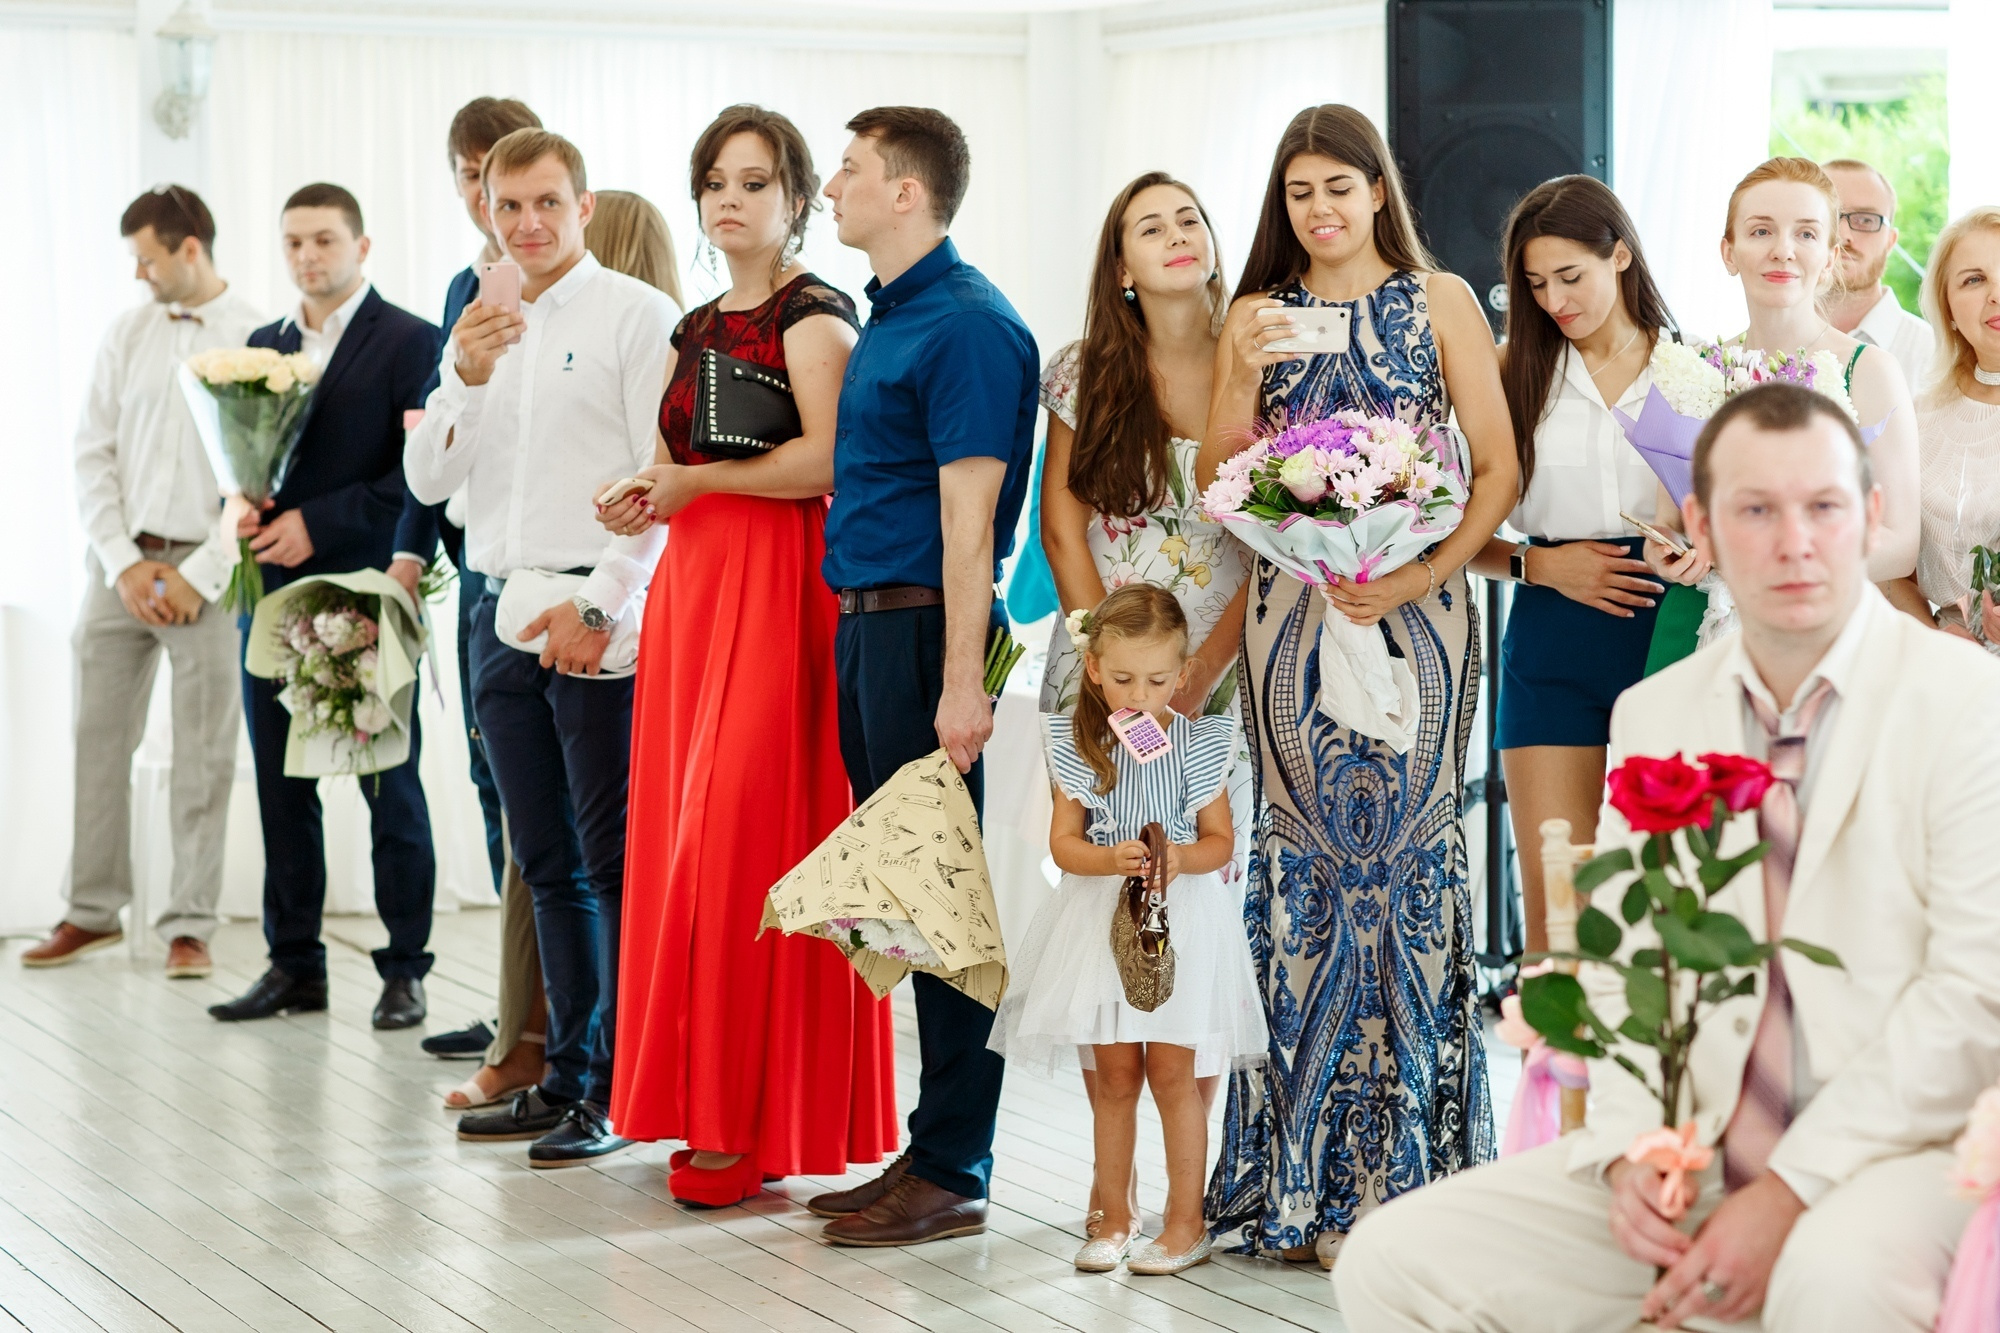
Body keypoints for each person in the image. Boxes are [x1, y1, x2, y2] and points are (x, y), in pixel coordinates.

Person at [1335, 382, 2000, 1333]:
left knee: (1831, 1281)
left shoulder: (1967, 699)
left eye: (1824, 506)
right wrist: (1628, 1152)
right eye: (1755, 510)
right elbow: (1624, 960)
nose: (1794, 541)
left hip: (1902, 1153)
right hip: (1697, 1143)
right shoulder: (1657, 714)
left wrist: (1789, 1189)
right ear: (1701, 523)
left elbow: (1975, 994)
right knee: (1394, 1262)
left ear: (1874, 514)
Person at [1195, 104, 1514, 1268]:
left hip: (1421, 615)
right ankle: (1304, 1188)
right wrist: (1238, 364)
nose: (1319, 211)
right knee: (1307, 877)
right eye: (1298, 194)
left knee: (1413, 869)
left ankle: (1413, 1195)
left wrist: (1421, 571)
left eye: (1339, 187)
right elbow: (1219, 477)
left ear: (1379, 191)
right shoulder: (1255, 316)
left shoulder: (1442, 304)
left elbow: (1494, 463)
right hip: (1290, 615)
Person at [596, 105, 895, 1208]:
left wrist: (696, 485)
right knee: (684, 848)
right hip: (694, 587)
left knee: (747, 841)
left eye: (756, 182)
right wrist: (645, 490)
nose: (732, 199)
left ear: (795, 199)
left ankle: (759, 1118)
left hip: (778, 589)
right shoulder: (693, 323)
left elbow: (828, 461)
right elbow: (685, 455)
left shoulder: (816, 317)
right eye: (715, 181)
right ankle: (714, 1107)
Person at [405, 129, 677, 1167]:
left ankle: (613, 1090)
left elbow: (660, 477)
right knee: (544, 862)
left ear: (585, 205)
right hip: (494, 610)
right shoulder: (481, 322)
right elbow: (429, 481)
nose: (527, 224)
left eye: (546, 204)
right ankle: (564, 1076)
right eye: (507, 206)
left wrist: (605, 604)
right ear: (485, 210)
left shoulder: (634, 315)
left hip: (590, 610)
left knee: (607, 865)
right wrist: (465, 376)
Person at [802, 105, 1038, 1246]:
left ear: (906, 190)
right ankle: (928, 1144)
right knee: (901, 897)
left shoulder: (969, 327)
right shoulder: (892, 317)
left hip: (921, 633)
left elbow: (969, 521)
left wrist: (960, 680)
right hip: (866, 628)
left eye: (846, 167)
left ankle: (955, 1162)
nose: (828, 183)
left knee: (941, 898)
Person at [1035, 169, 1249, 1235]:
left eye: (1188, 220)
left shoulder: (1255, 363)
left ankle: (1189, 1191)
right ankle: (1104, 1189)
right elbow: (1061, 525)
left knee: (1195, 929)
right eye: (1145, 227)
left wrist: (1194, 677)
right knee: (1100, 913)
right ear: (1119, 266)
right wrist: (1106, 662)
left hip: (1213, 678)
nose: (1173, 237)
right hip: (1101, 676)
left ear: (1214, 242)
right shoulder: (1081, 372)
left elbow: (1270, 547)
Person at [209, 183, 441, 1030]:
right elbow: (256, 461)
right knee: (279, 786)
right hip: (270, 595)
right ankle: (294, 963)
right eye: (294, 243)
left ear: (363, 245)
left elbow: (422, 480)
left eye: (324, 240)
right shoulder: (260, 345)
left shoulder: (413, 340)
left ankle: (405, 968)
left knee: (390, 787)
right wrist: (249, 505)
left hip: (364, 591)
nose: (308, 256)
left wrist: (323, 522)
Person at [989, 583, 1264, 1275]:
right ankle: (1113, 1214)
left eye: (1158, 679)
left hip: (1180, 923)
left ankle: (1184, 1221)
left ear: (1182, 672)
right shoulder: (1078, 741)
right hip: (1099, 922)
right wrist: (1109, 858)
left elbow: (1218, 841)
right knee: (1114, 1077)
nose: (1139, 696)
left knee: (1175, 1073)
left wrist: (1176, 858)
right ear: (1092, 669)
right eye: (1122, 679)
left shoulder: (1198, 743)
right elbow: (1064, 844)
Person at [24, 187, 262, 978]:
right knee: (98, 741)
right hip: (118, 569)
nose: (138, 273)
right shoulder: (124, 334)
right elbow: (91, 451)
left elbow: (263, 475)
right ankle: (90, 910)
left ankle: (190, 923)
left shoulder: (259, 337)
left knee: (203, 751)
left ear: (189, 248)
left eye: (146, 258)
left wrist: (199, 571)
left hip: (210, 567)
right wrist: (124, 561)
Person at [390, 97, 552, 1110]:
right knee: (492, 784)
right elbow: (438, 424)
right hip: (474, 561)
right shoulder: (462, 283)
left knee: (545, 816)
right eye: (468, 177)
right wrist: (412, 550)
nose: (484, 195)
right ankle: (512, 1002)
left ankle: (533, 1023)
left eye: (500, 175)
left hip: (559, 574)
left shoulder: (587, 280)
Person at [1470, 175, 1676, 953]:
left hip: (1672, 636)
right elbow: (1443, 531)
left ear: (1619, 254)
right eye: (1534, 284)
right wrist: (1536, 568)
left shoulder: (1694, 370)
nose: (1554, 299)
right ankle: (1554, 1078)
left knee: (1660, 922)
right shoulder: (1508, 371)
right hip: (1550, 638)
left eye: (1570, 276)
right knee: (1559, 920)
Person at [1643, 157, 1923, 658]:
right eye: (1760, 231)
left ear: (1831, 256)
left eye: (1807, 234)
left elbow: (1901, 543)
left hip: (1821, 633)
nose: (1783, 251)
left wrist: (1782, 563)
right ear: (1729, 252)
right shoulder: (1693, 368)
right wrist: (1663, 552)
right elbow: (1669, 521)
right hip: (1695, 629)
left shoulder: (1870, 370)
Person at [1894, 207, 2000, 646]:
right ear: (1949, 309)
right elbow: (1890, 572)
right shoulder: (1914, 419)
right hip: (1943, 665)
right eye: (1974, 280)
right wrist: (1938, 642)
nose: (1997, 294)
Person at [1822, 157, 1932, 387]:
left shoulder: (1934, 355)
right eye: (1828, 216)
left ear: (1891, 241)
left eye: (1865, 220)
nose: (1843, 235)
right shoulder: (1764, 345)